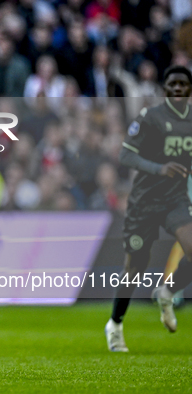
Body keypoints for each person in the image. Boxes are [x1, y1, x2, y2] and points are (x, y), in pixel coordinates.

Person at [105, 65, 192, 352]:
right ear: (165, 89)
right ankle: (115, 323)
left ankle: (167, 291)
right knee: (134, 268)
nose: (178, 88)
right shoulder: (151, 117)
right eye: (173, 84)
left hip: (175, 200)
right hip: (144, 201)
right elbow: (125, 155)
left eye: (183, 84)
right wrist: (159, 168)